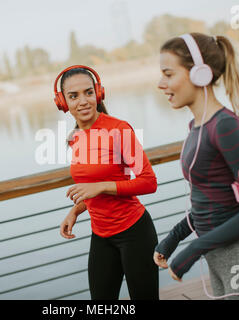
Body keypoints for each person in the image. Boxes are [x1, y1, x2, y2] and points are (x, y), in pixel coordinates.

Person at [154, 33, 239, 299]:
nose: (160, 84)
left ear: (199, 73)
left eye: (168, 74)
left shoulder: (225, 126)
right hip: (220, 263)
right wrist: (175, 237)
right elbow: (213, 200)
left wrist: (193, 250)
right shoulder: (196, 128)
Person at [54, 65, 159, 300]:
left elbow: (149, 182)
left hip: (135, 233)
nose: (83, 101)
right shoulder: (74, 138)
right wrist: (75, 211)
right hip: (101, 235)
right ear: (62, 102)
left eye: (88, 92)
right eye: (73, 96)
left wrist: (102, 186)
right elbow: (90, 186)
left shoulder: (118, 129)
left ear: (98, 94)